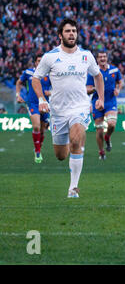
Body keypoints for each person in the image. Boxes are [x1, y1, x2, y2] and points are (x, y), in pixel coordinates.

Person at [32, 18, 104, 198]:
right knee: (61, 155)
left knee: (75, 140)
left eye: (74, 31)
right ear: (60, 35)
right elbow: (36, 78)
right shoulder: (50, 57)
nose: (71, 34)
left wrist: (100, 98)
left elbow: (98, 76)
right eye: (67, 31)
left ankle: (73, 188)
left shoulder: (86, 55)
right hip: (57, 112)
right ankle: (76, 149)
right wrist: (41, 98)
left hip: (79, 107)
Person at [86, 51, 123, 160]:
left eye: (104, 56)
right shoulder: (93, 72)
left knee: (111, 124)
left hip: (110, 102)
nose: (102, 58)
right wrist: (95, 88)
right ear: (97, 59)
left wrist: (118, 89)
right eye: (100, 57)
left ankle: (107, 138)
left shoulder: (114, 70)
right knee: (99, 130)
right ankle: (101, 152)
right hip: (97, 103)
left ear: (107, 58)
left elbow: (120, 81)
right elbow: (87, 89)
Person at [16, 54, 51, 163]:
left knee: (42, 130)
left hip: (45, 104)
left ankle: (38, 147)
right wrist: (18, 95)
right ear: (35, 62)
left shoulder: (49, 74)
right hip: (33, 104)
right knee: (36, 127)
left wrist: (50, 93)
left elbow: (57, 87)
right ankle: (37, 152)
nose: (40, 63)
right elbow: (19, 82)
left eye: (42, 61)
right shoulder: (28, 72)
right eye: (38, 61)